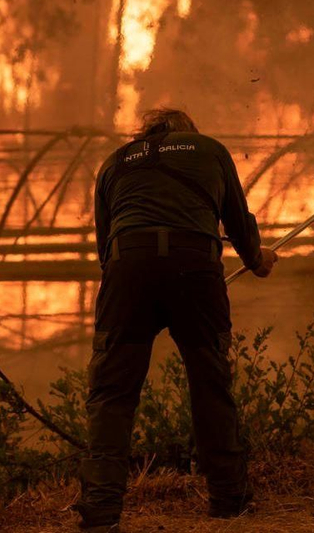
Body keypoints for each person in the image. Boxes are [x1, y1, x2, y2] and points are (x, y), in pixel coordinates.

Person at [74, 107, 278, 531]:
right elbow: (239, 224)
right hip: (194, 267)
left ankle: (100, 510)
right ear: (189, 131)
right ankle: (229, 500)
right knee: (210, 383)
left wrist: (134, 285)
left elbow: (104, 246)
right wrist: (258, 260)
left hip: (126, 269)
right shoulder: (210, 150)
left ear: (144, 133)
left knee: (111, 393)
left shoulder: (115, 161)